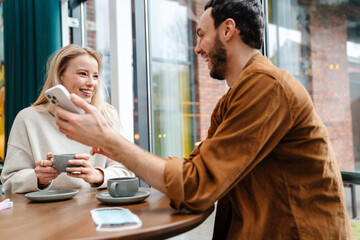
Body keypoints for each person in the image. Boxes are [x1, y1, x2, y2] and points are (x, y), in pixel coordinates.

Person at [53, 1, 353, 239]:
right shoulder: (234, 99)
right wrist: (114, 148)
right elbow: (194, 172)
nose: (197, 49)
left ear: (228, 29)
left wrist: (110, 140)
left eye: (201, 35)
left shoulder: (267, 86)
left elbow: (196, 187)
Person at [1, 44, 134, 194]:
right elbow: (9, 182)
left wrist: (97, 175)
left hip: (96, 208)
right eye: (83, 74)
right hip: (45, 213)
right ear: (60, 76)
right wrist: (38, 178)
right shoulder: (28, 119)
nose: (91, 83)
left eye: (95, 76)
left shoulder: (107, 116)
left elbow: (127, 172)